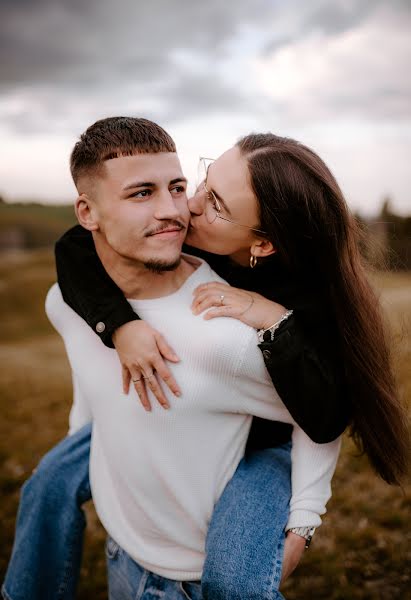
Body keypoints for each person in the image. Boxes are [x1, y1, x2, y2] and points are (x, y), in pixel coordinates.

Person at [3, 117, 408, 600]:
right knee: (46, 484)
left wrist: (303, 519)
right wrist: (120, 325)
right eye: (203, 180)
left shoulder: (298, 305)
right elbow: (73, 246)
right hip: (154, 439)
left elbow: (324, 416)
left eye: (212, 202)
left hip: (262, 442)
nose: (185, 206)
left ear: (261, 243)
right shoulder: (189, 238)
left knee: (237, 580)